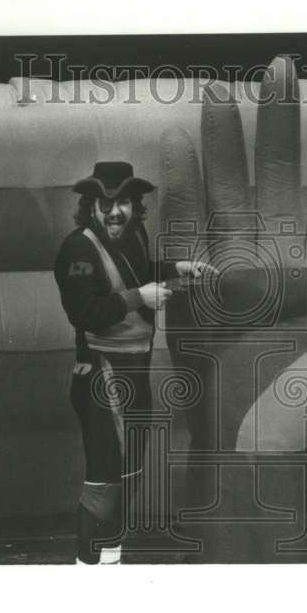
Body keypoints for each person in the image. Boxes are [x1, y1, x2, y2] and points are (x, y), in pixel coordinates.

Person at [54, 160, 213, 564]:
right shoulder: (78, 248)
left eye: (122, 201)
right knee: (105, 483)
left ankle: (112, 565)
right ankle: (85, 574)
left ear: (134, 205)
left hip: (136, 373)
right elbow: (85, 311)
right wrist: (139, 299)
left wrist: (177, 268)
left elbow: (139, 273)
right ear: (90, 207)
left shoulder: (135, 234)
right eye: (104, 203)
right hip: (101, 375)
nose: (114, 212)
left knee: (130, 477)